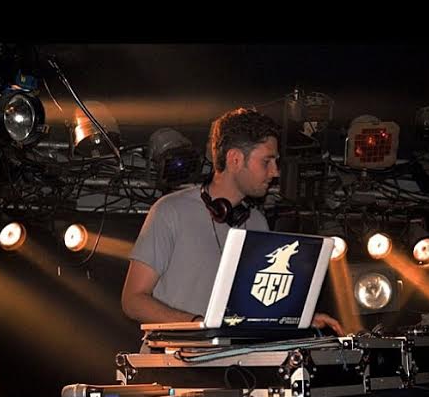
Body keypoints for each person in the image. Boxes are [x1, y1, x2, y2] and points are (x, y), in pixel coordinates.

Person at [122, 107, 344, 336]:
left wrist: (297, 318)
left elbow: (256, 307)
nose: (275, 172)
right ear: (235, 159)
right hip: (173, 356)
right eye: (266, 162)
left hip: (228, 357)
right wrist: (198, 325)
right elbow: (133, 300)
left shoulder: (256, 222)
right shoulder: (170, 211)